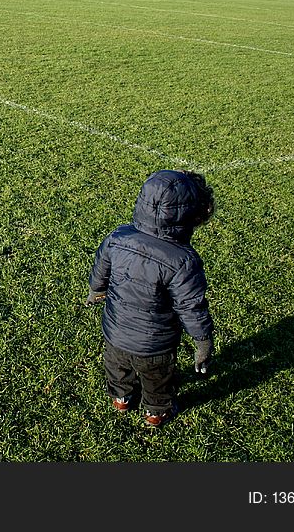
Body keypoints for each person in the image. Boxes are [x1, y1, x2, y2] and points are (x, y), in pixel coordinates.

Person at [86, 169, 215, 427]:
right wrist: (203, 341)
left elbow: (101, 267)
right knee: (157, 380)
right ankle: (156, 412)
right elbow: (191, 306)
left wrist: (95, 290)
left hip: (115, 332)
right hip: (156, 346)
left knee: (118, 369)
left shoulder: (118, 237)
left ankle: (121, 398)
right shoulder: (183, 261)